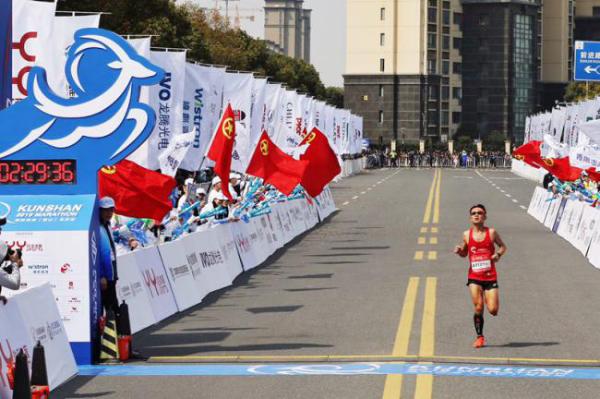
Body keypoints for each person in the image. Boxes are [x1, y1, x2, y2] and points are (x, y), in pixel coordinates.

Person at [453, 204, 507, 348]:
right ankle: (480, 337)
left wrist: (498, 254)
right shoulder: (466, 234)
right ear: (470, 217)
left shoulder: (491, 233)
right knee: (478, 306)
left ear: (485, 216)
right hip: (474, 276)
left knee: (493, 310)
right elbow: (465, 253)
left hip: (490, 276)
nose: (477, 215)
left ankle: (488, 299)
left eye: (480, 213)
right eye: (474, 213)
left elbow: (503, 246)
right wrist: (459, 251)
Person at [98, 197, 120, 318]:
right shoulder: (97, 227)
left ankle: (114, 334)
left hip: (112, 274)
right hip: (105, 277)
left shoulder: (108, 225)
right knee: (110, 307)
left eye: (111, 210)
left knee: (112, 307)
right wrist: (102, 276)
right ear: (100, 211)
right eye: (105, 210)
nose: (109, 213)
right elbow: (101, 254)